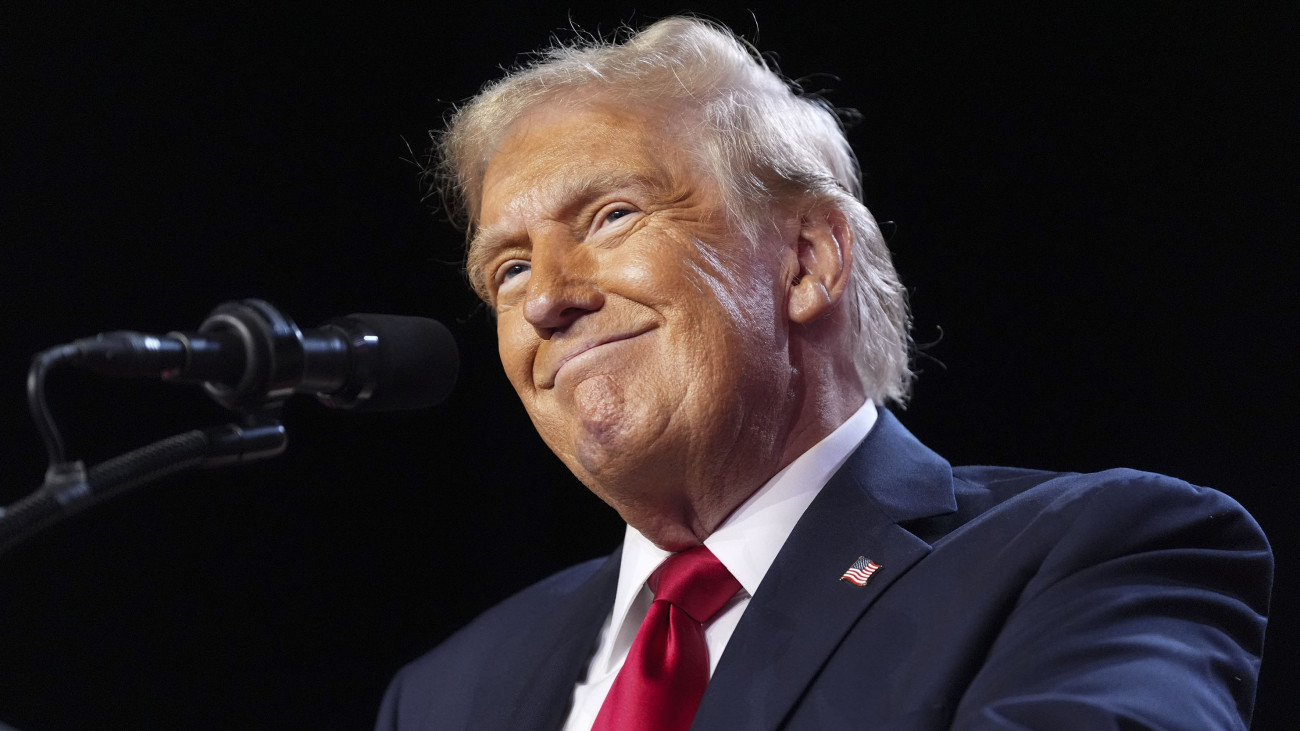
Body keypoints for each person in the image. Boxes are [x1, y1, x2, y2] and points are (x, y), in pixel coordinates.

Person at [376, 16, 1271, 730]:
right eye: (509, 269)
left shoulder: (1095, 555)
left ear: (807, 260)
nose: (544, 302)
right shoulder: (445, 694)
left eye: (611, 216)